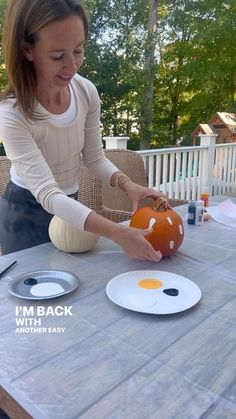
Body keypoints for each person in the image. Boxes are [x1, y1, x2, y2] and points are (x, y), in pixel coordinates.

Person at [0, 0, 165, 261]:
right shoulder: (12, 113)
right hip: (26, 212)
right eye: (57, 56)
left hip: (72, 205)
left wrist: (128, 185)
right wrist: (117, 233)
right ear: (27, 50)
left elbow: (94, 158)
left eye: (78, 50)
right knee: (33, 298)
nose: (72, 66)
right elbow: (47, 194)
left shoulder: (86, 92)